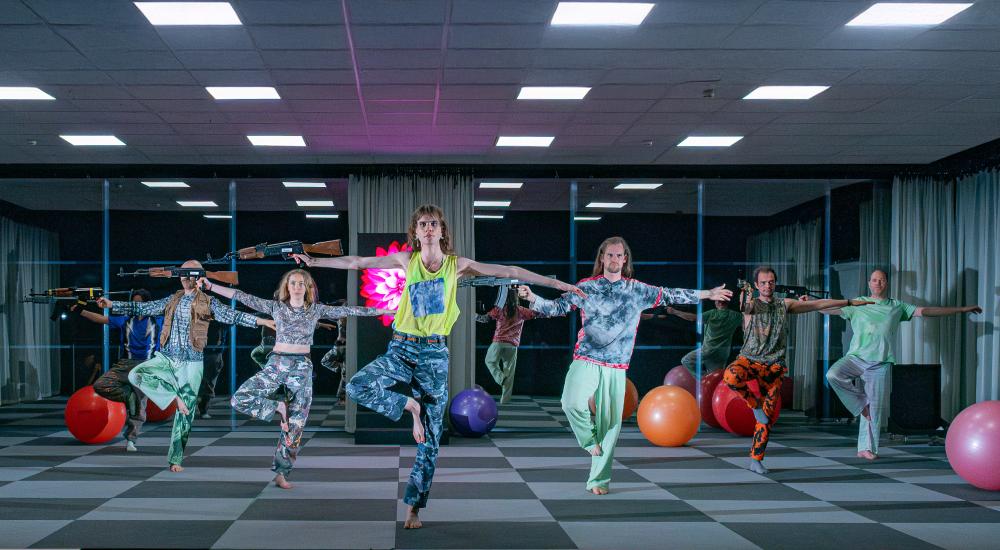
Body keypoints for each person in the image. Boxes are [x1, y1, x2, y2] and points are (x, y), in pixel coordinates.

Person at [293, 203, 584, 529]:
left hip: (434, 355)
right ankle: (408, 405)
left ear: (442, 231)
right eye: (423, 224)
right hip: (401, 348)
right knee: (357, 385)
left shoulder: (458, 266)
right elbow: (358, 262)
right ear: (415, 233)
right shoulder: (407, 260)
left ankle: (414, 507)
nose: (429, 228)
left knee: (430, 440)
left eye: (434, 223)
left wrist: (559, 285)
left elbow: (512, 271)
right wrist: (313, 261)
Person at [519, 236, 732, 495]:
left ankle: (598, 480)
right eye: (610, 255)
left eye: (619, 255)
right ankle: (588, 440)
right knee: (570, 402)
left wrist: (708, 294)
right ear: (602, 258)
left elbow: (672, 293)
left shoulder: (637, 290)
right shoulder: (587, 287)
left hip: (617, 366)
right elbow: (556, 308)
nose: (615, 260)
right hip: (586, 357)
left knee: (611, 424)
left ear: (625, 259)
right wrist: (532, 297)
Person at [201, 269, 388, 489]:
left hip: (302, 367)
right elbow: (241, 296)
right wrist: (211, 286)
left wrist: (386, 310)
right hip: (278, 363)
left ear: (308, 288)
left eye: (302, 283)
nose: (297, 287)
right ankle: (277, 407)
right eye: (293, 283)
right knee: (239, 399)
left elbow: (351, 310)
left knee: (297, 424)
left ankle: (281, 472)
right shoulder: (276, 307)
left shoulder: (316, 309)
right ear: (287, 287)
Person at [97, 260, 273, 472]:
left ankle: (175, 459)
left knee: (185, 415)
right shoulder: (173, 298)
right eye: (182, 272)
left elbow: (232, 315)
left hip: (192, 361)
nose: (184, 276)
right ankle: (174, 397)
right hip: (167, 357)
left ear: (198, 277)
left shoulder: (209, 301)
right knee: (137, 374)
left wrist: (261, 322)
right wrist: (112, 305)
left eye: (189, 273)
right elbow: (145, 307)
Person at [723, 266, 872, 475]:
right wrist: (745, 291)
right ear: (757, 285)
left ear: (775, 283)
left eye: (771, 282)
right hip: (749, 360)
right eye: (763, 282)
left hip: (773, 367)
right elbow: (745, 306)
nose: (768, 286)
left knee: (767, 416)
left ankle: (756, 459)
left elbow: (817, 304)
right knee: (730, 376)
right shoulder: (751, 305)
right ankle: (752, 402)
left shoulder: (784, 305)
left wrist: (848, 302)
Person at [823, 269, 981, 460]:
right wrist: (810, 304)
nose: (878, 283)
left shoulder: (897, 306)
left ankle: (866, 448)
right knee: (833, 374)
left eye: (881, 280)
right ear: (869, 283)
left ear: (886, 283)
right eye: (874, 280)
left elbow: (926, 311)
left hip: (879, 363)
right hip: (855, 358)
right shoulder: (858, 303)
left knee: (875, 409)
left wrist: (961, 310)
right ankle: (860, 403)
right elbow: (831, 309)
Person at [79, 289, 162, 451]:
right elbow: (100, 319)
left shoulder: (158, 320)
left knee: (140, 406)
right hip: (125, 363)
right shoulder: (126, 320)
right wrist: (79, 310)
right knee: (100, 385)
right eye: (134, 302)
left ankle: (131, 439)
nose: (137, 305)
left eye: (141, 302)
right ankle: (128, 396)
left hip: (147, 365)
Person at [475, 285, 536, 404]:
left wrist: (473, 315)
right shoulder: (521, 310)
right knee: (509, 372)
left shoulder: (499, 309)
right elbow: (535, 313)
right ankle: (505, 400)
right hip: (512, 345)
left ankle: (499, 377)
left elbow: (485, 319)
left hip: (498, 342)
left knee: (489, 361)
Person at [667, 300, 743, 376]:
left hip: (708, 350)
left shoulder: (713, 313)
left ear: (718, 302)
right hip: (723, 352)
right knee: (715, 376)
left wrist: (674, 311)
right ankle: (708, 380)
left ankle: (703, 378)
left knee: (686, 360)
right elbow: (747, 322)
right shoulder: (735, 315)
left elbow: (693, 318)